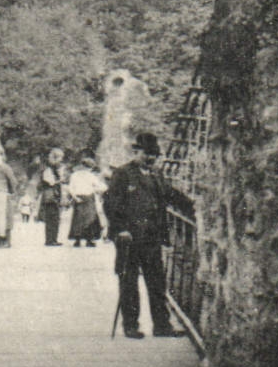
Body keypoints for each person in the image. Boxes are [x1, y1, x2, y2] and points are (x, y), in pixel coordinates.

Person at [103, 133, 192, 338]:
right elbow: (110, 203)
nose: (151, 158)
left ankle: (162, 325)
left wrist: (192, 206)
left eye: (154, 155)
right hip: (129, 238)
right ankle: (131, 325)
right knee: (129, 282)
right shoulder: (123, 174)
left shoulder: (156, 175)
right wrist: (120, 229)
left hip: (152, 237)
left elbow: (171, 195)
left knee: (157, 282)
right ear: (136, 152)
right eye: (147, 154)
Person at [67, 154, 108, 247]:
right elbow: (102, 187)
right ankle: (89, 240)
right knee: (90, 220)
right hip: (88, 198)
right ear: (90, 167)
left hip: (78, 198)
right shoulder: (91, 176)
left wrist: (75, 197)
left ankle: (77, 240)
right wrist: (96, 190)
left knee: (78, 219)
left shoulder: (74, 175)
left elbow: (70, 188)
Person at [39, 147, 67, 247]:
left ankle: (52, 239)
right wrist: (61, 180)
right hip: (51, 196)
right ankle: (51, 240)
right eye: (60, 158)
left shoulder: (52, 168)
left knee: (54, 217)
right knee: (52, 217)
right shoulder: (48, 168)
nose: (61, 160)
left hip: (53, 195)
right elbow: (50, 182)